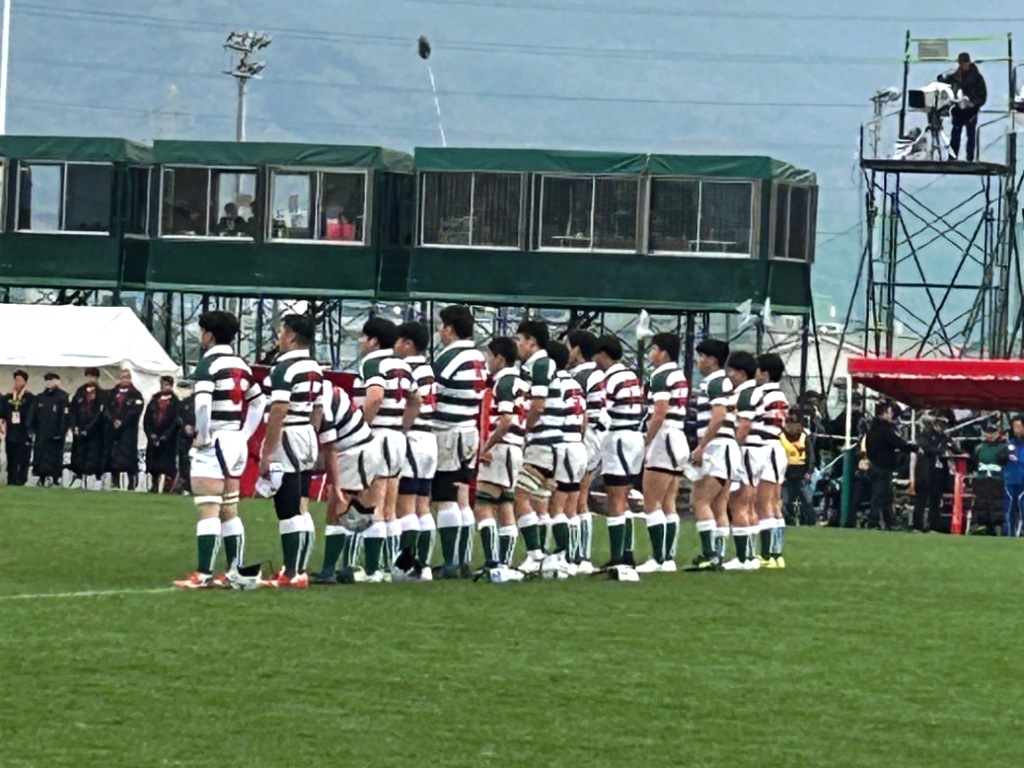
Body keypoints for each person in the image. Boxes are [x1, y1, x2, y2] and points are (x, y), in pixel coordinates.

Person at [174, 311, 267, 589]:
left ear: (209, 335)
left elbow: (203, 404)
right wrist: (245, 433)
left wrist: (203, 436)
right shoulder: (241, 364)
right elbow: (259, 402)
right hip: (235, 440)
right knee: (230, 509)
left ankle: (204, 574)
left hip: (215, 440)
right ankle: (235, 570)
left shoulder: (209, 364)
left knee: (209, 507)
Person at [352, 317, 418, 582]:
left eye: (364, 337)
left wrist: (361, 427)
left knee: (372, 503)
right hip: (396, 437)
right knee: (390, 507)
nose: (361, 343)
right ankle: (392, 567)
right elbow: (416, 399)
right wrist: (403, 426)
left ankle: (372, 569)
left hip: (377, 435)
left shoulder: (372, 362)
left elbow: (375, 396)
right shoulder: (403, 365)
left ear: (374, 341)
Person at [260, 314, 324, 588]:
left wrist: (267, 452)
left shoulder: (284, 367)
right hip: (307, 432)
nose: (278, 337)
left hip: (289, 432)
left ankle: (291, 572)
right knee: (299, 500)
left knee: (287, 504)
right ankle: (298, 568)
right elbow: (318, 408)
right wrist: (312, 436)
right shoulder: (315, 367)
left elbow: (278, 409)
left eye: (281, 332)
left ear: (292, 335)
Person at [430, 305, 488, 578]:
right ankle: (463, 558)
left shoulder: (449, 357)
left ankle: (451, 561)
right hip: (468, 430)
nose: (440, 331)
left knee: (446, 497)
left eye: (442, 326)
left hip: (448, 431)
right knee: (463, 495)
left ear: (450, 329)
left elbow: (433, 391)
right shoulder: (478, 356)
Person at [313, 380, 385, 584]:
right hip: (360, 447)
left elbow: (330, 448)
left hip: (355, 451)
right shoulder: (326, 388)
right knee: (364, 508)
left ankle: (330, 571)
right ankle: (372, 570)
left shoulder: (321, 400)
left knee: (341, 509)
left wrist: (335, 486)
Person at [635, 332, 689, 574]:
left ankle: (658, 558)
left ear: (663, 353)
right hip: (678, 437)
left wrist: (647, 441)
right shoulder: (679, 374)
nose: (651, 354)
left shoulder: (661, 375)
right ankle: (667, 558)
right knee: (668, 502)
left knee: (651, 501)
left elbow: (659, 412)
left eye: (653, 349)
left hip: (664, 437)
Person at [593, 334, 645, 574]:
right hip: (634, 437)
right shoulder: (630, 375)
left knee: (615, 497)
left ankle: (617, 557)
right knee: (623, 496)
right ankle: (626, 553)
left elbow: (604, 412)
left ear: (603, 354)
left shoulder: (610, 379)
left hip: (619, 437)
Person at [477, 337, 529, 574]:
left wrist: (488, 445)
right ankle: (503, 563)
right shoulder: (521, 381)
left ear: (499, 358)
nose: (488, 361)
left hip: (502, 448)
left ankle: (493, 561)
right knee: (505, 503)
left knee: (483, 503)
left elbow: (506, 418)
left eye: (489, 356)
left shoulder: (504, 382)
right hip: (515, 448)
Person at [687, 338, 739, 569]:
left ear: (711, 360)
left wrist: (702, 446)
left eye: (700, 356)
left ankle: (709, 554)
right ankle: (718, 555)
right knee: (718, 504)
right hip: (725, 447)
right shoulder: (722, 382)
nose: (698, 361)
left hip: (718, 447)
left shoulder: (715, 382)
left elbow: (718, 415)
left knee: (699, 500)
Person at [513, 319, 557, 574]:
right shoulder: (535, 365)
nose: (518, 345)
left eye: (520, 340)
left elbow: (538, 406)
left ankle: (535, 554)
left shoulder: (541, 364)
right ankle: (544, 555)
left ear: (532, 341)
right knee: (540, 499)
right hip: (547, 442)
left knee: (520, 494)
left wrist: (522, 429)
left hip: (544, 442)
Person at [541, 340, 588, 577]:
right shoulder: (574, 383)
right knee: (572, 505)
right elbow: (585, 417)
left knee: (557, 505)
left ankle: (563, 556)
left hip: (564, 446)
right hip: (578, 445)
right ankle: (574, 557)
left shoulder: (554, 382)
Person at [394, 321, 437, 577]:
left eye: (399, 341)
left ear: (408, 344)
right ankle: (424, 564)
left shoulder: (406, 370)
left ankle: (407, 564)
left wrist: (401, 430)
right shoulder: (429, 370)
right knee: (423, 505)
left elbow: (412, 403)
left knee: (406, 504)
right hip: (429, 438)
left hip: (413, 437)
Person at [567, 329, 605, 574]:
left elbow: (581, 415)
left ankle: (579, 556)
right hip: (598, 437)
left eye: (569, 346)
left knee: (576, 497)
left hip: (586, 437)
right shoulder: (598, 373)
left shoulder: (579, 376)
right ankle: (581, 555)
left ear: (577, 349)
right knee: (581, 497)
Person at [751, 353, 791, 566]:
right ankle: (776, 554)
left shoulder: (760, 394)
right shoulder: (781, 395)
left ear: (765, 373)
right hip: (777, 447)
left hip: (764, 447)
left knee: (763, 503)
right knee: (774, 503)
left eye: (757, 370)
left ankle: (766, 554)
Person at [722, 350, 760, 571]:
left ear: (742, 373)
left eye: (732, 371)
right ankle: (751, 555)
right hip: (755, 452)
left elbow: (744, 425)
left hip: (744, 451)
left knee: (738, 504)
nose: (730, 376)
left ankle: (743, 557)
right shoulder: (756, 392)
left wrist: (733, 446)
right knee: (749, 505)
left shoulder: (744, 395)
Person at [864, 401, 917, 530]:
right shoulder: (884, 429)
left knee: (886, 496)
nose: (892, 415)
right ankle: (873, 521)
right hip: (883, 467)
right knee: (879, 495)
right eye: (890, 412)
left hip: (876, 465)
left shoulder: (872, 429)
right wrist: (913, 448)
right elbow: (897, 442)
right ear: (884, 413)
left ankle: (889, 521)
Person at [940, 52, 987, 162]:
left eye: (965, 62)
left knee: (971, 134)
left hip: (971, 111)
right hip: (958, 110)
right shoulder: (955, 76)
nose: (964, 65)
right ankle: (952, 157)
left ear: (969, 62)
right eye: (962, 63)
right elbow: (946, 84)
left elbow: (983, 95)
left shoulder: (977, 77)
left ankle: (970, 158)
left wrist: (973, 103)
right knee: (955, 134)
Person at [105, 370, 144, 491]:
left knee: (129, 455)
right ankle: (115, 481)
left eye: (127, 378)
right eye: (123, 377)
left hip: (129, 431)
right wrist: (113, 420)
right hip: (113, 430)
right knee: (113, 454)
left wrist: (122, 421)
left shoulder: (136, 394)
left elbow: (136, 411)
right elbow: (106, 409)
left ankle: (131, 481)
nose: (125, 380)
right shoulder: (111, 393)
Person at [912, 414, 953, 533]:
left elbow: (952, 447)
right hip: (925, 472)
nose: (943, 426)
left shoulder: (944, 438)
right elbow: (926, 447)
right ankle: (917, 525)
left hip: (938, 473)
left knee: (935, 501)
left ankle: (934, 525)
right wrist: (940, 451)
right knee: (921, 500)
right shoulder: (925, 436)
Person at [69, 367, 107, 490]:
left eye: (92, 376)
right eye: (88, 376)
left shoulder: (102, 394)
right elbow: (73, 410)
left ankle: (95, 478)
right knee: (79, 454)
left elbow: (100, 414)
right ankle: (78, 477)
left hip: (95, 432)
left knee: (94, 454)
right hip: (79, 429)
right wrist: (74, 426)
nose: (90, 379)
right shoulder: (80, 392)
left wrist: (89, 429)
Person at [29, 373, 69, 487]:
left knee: (54, 456)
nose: (49, 383)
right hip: (42, 433)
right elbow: (33, 414)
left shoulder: (63, 397)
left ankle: (55, 478)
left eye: (51, 380)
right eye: (47, 380)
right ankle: (41, 477)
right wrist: (31, 429)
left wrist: (61, 432)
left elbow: (65, 417)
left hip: (55, 434)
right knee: (40, 455)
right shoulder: (40, 398)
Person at [143, 375, 180, 493]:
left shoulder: (175, 401)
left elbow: (175, 421)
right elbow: (147, 418)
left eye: (167, 385)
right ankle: (154, 484)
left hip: (168, 439)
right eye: (163, 384)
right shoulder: (154, 400)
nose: (164, 387)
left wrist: (165, 436)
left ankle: (168, 485)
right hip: (154, 435)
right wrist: (150, 434)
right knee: (153, 462)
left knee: (167, 463)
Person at [971, 419, 1006, 535]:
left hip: (997, 479)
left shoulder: (1003, 447)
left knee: (996, 502)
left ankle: (997, 525)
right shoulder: (979, 447)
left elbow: (1005, 462)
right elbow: (973, 463)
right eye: (988, 432)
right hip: (982, 478)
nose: (990, 435)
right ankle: (982, 524)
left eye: (992, 432)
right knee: (981, 502)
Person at [2, 369, 35, 486]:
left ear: (25, 382)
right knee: (11, 457)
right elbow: (2, 411)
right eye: (16, 380)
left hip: (24, 432)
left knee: (23, 458)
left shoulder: (30, 398)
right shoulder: (8, 397)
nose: (17, 382)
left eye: (20, 380)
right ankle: (11, 479)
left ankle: (21, 480)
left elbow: (32, 414)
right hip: (11, 432)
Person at [780, 415, 814, 528]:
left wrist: (809, 471)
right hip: (785, 473)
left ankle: (810, 521)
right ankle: (788, 521)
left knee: (806, 499)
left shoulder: (804, 437)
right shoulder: (780, 437)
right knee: (785, 500)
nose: (792, 426)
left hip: (801, 472)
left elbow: (810, 455)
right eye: (789, 423)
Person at [1003, 416, 1024, 537]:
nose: (1016, 429)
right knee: (1009, 507)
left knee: (1022, 507)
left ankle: (1021, 533)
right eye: (1014, 427)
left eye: (1018, 426)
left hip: (1022, 480)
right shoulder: (1010, 443)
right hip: (1010, 479)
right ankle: (1009, 533)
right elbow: (1000, 457)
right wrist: (1005, 455)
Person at [173, 386, 195, 494]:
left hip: (199, 437)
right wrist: (185, 425)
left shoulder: (208, 402)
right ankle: (184, 484)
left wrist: (196, 428)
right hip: (184, 438)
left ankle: (192, 485)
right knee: (184, 461)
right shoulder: (186, 402)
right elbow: (178, 416)